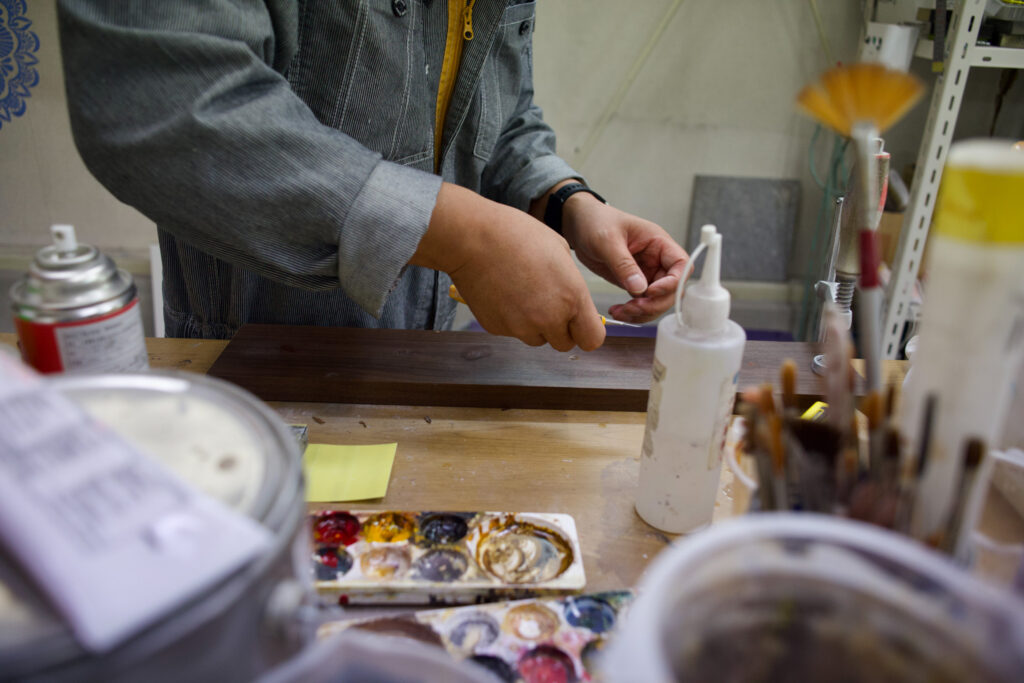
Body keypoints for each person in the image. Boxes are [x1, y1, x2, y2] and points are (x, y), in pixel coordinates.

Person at [56, 0, 688, 352]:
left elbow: (499, 109)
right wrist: (467, 238)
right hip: (253, 369)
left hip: (424, 363)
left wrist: (564, 201)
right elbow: (168, 104)